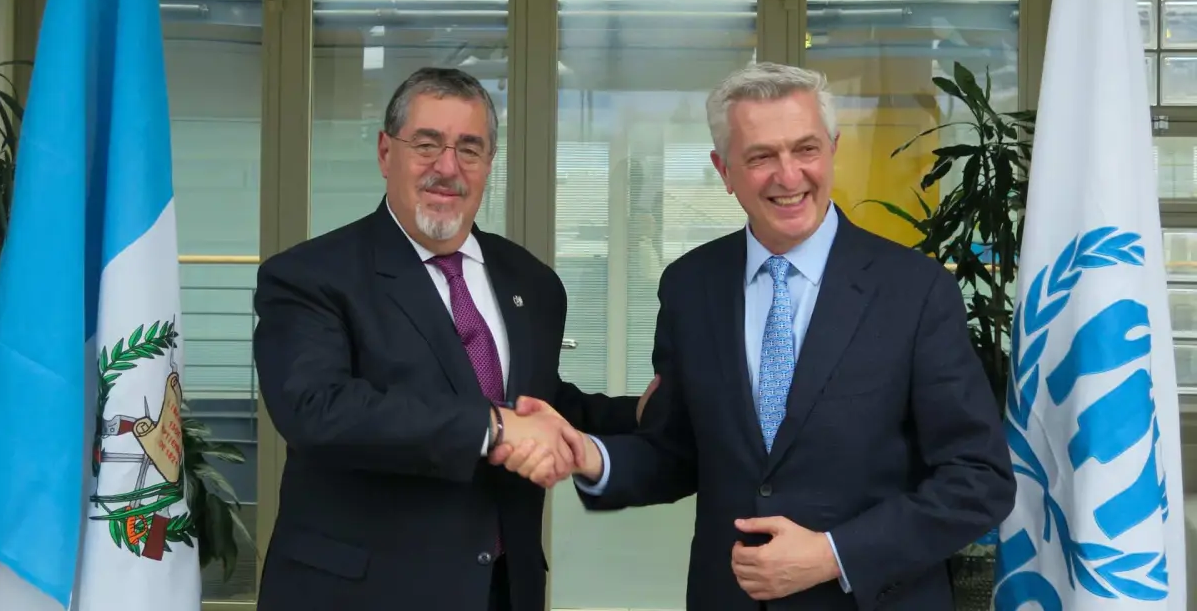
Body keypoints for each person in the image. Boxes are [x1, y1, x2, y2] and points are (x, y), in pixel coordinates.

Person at [495, 62, 1015, 610]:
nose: (788, 176)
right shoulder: (691, 287)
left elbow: (978, 479)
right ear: (724, 170)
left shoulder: (916, 290)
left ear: (833, 148)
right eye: (761, 156)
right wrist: (589, 456)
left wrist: (834, 554)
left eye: (805, 149)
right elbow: (679, 452)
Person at [252, 67, 656, 611]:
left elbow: (539, 404)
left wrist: (641, 416)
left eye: (470, 148)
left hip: (501, 592)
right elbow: (317, 410)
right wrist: (490, 428)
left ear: (490, 163)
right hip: (359, 594)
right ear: (384, 152)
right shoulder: (310, 275)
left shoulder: (532, 283)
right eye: (426, 144)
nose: (447, 168)